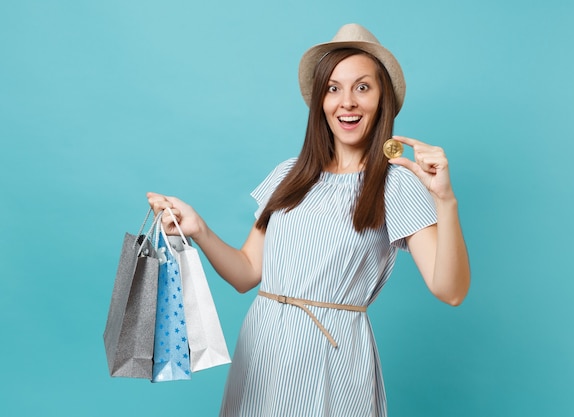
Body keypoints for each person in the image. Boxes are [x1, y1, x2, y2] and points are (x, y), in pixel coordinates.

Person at [147, 23, 470, 417]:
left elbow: (450, 290)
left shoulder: (396, 183)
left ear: (382, 98)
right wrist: (199, 229)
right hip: (261, 351)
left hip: (333, 356)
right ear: (320, 100)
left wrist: (445, 200)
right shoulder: (289, 174)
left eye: (362, 87)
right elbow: (247, 273)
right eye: (333, 88)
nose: (347, 102)